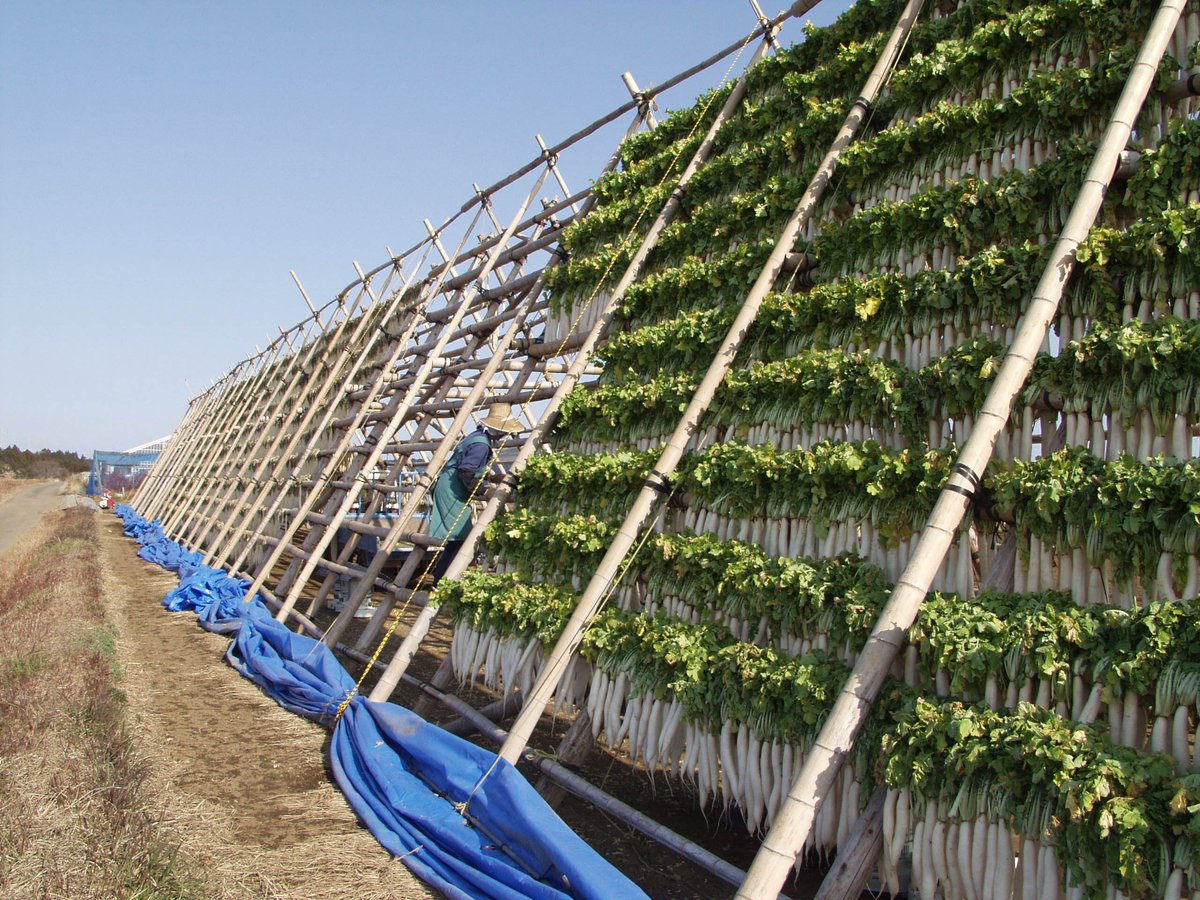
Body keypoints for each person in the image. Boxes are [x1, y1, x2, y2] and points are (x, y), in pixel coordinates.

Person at [426, 403, 522, 583]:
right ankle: (443, 580)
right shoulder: (481, 445)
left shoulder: (478, 438)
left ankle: (441, 579)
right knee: (460, 538)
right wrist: (485, 490)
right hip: (452, 490)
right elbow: (466, 472)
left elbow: (469, 467)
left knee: (456, 539)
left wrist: (492, 478)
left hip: (450, 486)